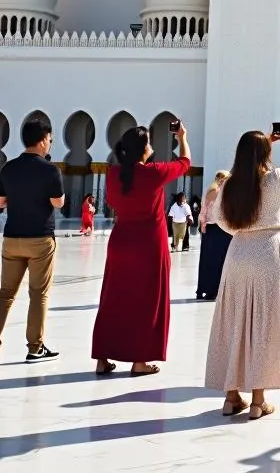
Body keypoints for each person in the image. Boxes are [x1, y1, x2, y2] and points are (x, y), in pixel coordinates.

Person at [205, 124, 280, 419]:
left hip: (238, 253)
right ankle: (258, 401)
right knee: (264, 322)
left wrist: (242, 231)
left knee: (233, 321)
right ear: (266, 153)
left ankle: (230, 396)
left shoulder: (230, 183)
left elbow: (221, 221)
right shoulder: (276, 179)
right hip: (268, 251)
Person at [91, 122, 191, 376]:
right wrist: (182, 138)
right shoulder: (153, 173)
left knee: (113, 299)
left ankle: (102, 358)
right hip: (149, 245)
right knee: (148, 302)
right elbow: (185, 162)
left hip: (121, 242)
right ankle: (139, 361)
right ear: (143, 149)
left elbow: (113, 202)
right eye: (148, 143)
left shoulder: (114, 174)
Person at [0, 118, 64, 364]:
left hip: (12, 238)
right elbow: (58, 203)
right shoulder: (50, 170)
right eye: (49, 139)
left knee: (5, 293)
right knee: (38, 294)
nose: (49, 144)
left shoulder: (9, 168)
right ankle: (35, 348)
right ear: (41, 141)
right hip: (40, 240)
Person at [196, 170, 231, 301]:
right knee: (218, 261)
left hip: (211, 230)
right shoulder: (217, 192)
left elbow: (203, 212)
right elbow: (206, 211)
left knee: (209, 261)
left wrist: (203, 227)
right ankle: (213, 290)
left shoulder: (212, 191)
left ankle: (207, 290)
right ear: (222, 179)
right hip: (218, 229)